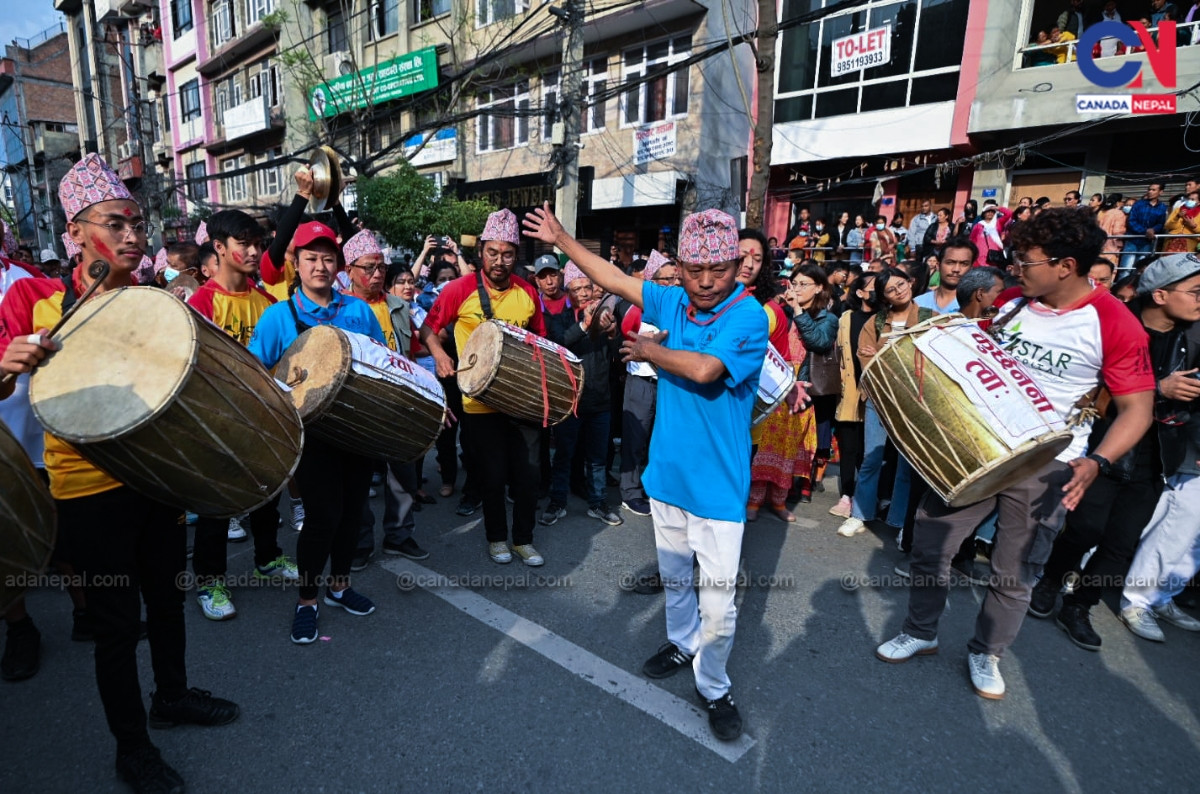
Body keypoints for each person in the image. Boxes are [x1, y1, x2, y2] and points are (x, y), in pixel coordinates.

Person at [1, 153, 239, 791]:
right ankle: (131, 748)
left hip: (155, 477)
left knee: (167, 600)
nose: (134, 236)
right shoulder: (40, 301)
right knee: (115, 625)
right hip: (89, 491)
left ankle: (173, 695)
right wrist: (9, 364)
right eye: (116, 223)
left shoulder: (155, 301)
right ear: (76, 232)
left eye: (139, 224)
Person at [874, 208, 1154, 700]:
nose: (1014, 268)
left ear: (1065, 265)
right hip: (977, 446)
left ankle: (987, 652)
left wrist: (1097, 461)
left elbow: (1137, 410)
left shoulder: (1115, 323)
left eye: (1025, 260)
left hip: (1050, 461)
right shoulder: (1009, 301)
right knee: (930, 544)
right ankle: (921, 632)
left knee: (1013, 568)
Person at [525, 203, 773, 742]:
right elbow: (611, 276)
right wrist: (563, 237)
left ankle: (713, 686)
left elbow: (707, 371)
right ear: (679, 266)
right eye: (695, 269)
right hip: (666, 477)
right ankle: (681, 644)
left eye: (719, 270)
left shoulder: (750, 316)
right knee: (678, 583)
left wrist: (650, 351)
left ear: (737, 267)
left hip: (719, 490)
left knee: (720, 605)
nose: (706, 283)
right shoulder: (672, 297)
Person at [1030, 253, 1200, 651]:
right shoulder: (1110, 325)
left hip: (1156, 456)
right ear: (1160, 295)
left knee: (1121, 542)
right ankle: (1051, 579)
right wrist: (1160, 389)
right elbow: (1091, 390)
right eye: (1194, 291)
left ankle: (1080, 606)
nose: (1199, 300)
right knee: (1086, 528)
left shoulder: (1192, 338)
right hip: (1104, 447)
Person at [249, 221, 387, 643]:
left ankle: (339, 587)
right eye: (311, 257)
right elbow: (257, 375)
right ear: (296, 263)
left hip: (358, 430)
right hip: (311, 438)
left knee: (352, 513)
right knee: (323, 516)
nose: (320, 266)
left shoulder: (358, 310)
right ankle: (307, 598)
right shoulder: (277, 317)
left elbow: (382, 360)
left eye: (328, 258)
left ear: (338, 264)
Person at [186, 209, 299, 621]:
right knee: (217, 504)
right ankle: (209, 582)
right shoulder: (200, 303)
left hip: (262, 419)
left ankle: (267, 559)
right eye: (244, 244)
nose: (254, 252)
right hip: (217, 422)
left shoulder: (268, 302)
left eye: (257, 243)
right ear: (219, 248)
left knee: (266, 495)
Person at [420, 210, 548, 566]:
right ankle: (496, 538)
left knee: (527, 475)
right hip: (478, 403)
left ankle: (524, 539)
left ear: (516, 255)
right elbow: (428, 329)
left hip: (522, 401)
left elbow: (541, 340)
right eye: (493, 252)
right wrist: (440, 356)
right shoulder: (459, 289)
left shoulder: (527, 292)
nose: (500, 261)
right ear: (481, 252)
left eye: (508, 254)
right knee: (491, 475)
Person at [342, 229, 431, 570]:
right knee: (358, 481)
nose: (377, 274)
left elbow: (425, 331)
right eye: (369, 267)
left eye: (381, 267)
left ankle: (399, 536)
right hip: (358, 405)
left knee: (404, 477)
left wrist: (437, 353)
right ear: (349, 269)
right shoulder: (339, 307)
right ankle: (360, 543)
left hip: (399, 401)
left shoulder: (399, 304)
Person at [543, 262, 623, 526]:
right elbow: (558, 344)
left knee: (598, 459)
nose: (584, 293)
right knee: (564, 456)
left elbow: (618, 357)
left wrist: (612, 335)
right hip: (570, 402)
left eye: (588, 287)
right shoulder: (560, 319)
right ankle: (557, 503)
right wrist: (585, 325)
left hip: (600, 401)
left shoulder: (606, 315)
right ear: (569, 293)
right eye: (577, 289)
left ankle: (598, 503)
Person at [619, 252, 678, 516]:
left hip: (667, 382)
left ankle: (651, 488)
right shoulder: (636, 309)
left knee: (659, 439)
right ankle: (629, 493)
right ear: (653, 281)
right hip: (640, 381)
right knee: (635, 438)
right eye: (667, 278)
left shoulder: (677, 308)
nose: (674, 283)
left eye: (676, 278)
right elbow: (622, 339)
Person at [829, 272, 877, 519]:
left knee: (870, 451)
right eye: (873, 286)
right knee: (848, 448)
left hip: (875, 394)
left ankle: (868, 497)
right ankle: (846, 495)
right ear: (859, 293)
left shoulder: (886, 319)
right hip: (849, 392)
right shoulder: (846, 318)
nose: (878, 290)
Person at [914, 238, 975, 314]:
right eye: (950, 263)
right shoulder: (920, 303)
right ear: (938, 266)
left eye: (964, 264)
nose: (956, 269)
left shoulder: (974, 306)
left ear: (971, 269)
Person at [1123, 182, 1168, 271]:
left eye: (1153, 190)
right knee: (1125, 269)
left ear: (1161, 192)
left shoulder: (1162, 207)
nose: (1150, 192)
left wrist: (1153, 230)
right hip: (1133, 240)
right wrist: (1145, 231)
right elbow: (1131, 221)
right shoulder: (1138, 204)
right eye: (1149, 189)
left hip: (1147, 242)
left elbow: (1160, 224)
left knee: (1140, 269)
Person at [1163, 187, 1200, 253]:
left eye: (1192, 199)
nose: (1189, 201)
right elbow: (1167, 225)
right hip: (1172, 242)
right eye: (1188, 199)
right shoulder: (1178, 210)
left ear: (1198, 202)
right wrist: (1177, 217)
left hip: (1190, 244)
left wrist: (1194, 226)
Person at [1097, 193, 1126, 265]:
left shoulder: (1104, 213)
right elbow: (1118, 232)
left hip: (1101, 245)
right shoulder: (1119, 214)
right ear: (1118, 203)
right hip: (1112, 247)